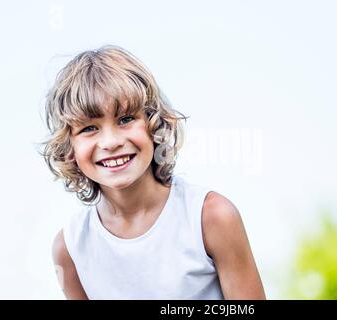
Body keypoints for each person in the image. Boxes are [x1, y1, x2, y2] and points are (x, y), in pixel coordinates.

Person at [41, 45, 266, 299]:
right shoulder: (69, 248)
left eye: (125, 119)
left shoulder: (210, 217)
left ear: (154, 123)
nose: (111, 142)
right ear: (69, 147)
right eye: (89, 128)